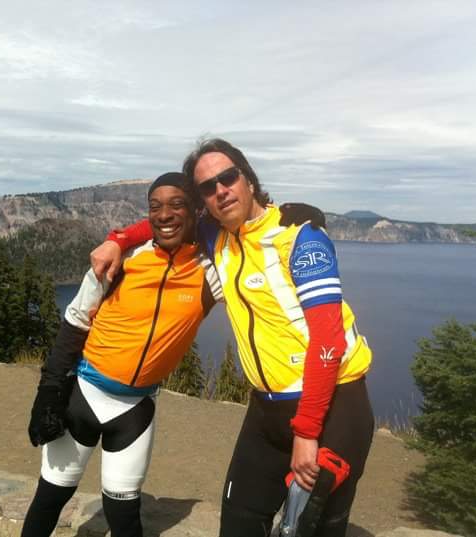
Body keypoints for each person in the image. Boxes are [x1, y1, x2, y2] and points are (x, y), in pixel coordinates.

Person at [91, 139, 374, 537]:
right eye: (207, 187)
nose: (220, 190)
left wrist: (307, 433)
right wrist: (117, 240)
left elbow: (329, 341)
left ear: (248, 179)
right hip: (266, 408)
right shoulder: (216, 235)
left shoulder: (299, 239)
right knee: (239, 523)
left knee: (311, 529)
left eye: (228, 177)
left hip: (333, 407)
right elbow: (165, 222)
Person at [22, 172, 221, 537]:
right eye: (155, 207)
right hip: (84, 396)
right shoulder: (122, 259)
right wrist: (48, 394)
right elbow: (75, 322)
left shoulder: (210, 273)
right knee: (50, 497)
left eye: (177, 204)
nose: (165, 215)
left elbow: (249, 243)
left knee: (124, 516)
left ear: (195, 210)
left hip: (134, 409)